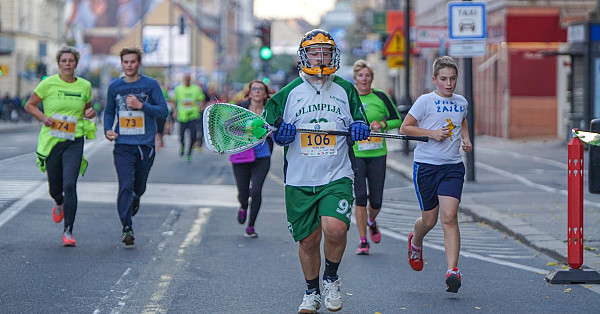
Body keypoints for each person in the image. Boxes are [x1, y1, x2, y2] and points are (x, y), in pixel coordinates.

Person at [263, 29, 370, 313]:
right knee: (309, 241)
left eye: (326, 51)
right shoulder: (287, 94)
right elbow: (267, 127)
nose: (320, 57)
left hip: (336, 174)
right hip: (299, 178)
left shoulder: (345, 89)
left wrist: (360, 127)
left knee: (335, 229)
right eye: (315, 52)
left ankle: (331, 279)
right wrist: (279, 134)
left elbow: (360, 120)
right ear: (303, 56)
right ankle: (311, 292)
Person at [399, 56, 473, 293]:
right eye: (443, 79)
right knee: (429, 220)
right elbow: (405, 127)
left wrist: (466, 138)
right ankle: (416, 241)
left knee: (449, 217)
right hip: (427, 166)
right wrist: (431, 133)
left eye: (452, 79)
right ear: (435, 80)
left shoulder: (461, 101)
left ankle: (453, 270)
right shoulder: (425, 101)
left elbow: (462, 120)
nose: (449, 84)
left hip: (452, 167)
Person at [24, 46, 96, 246]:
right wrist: (43, 117)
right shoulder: (48, 84)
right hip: (52, 140)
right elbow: (29, 105)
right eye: (64, 60)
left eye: (71, 61)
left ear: (76, 63)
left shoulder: (84, 86)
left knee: (69, 185)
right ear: (59, 63)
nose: (67, 64)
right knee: (56, 188)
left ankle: (68, 231)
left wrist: (91, 114)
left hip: (74, 140)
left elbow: (88, 110)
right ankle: (58, 202)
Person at [104, 46, 168, 245]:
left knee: (138, 186)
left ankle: (137, 197)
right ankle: (127, 227)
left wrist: (142, 106)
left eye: (133, 62)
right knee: (125, 184)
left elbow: (163, 111)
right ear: (121, 64)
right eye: (126, 62)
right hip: (123, 144)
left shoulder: (150, 85)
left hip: (145, 145)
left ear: (139, 64)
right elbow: (108, 111)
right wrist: (108, 129)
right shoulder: (114, 86)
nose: (129, 65)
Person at [351, 59, 402, 255]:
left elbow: (397, 119)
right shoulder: (350, 98)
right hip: (356, 154)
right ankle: (363, 240)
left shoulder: (380, 97)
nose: (364, 79)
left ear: (372, 78)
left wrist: (382, 124)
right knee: (361, 197)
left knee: (377, 200)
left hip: (378, 153)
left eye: (368, 75)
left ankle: (372, 220)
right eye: (361, 76)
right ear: (355, 78)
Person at [230, 80, 273, 238]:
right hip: (242, 155)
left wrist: (270, 132)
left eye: (260, 89)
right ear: (249, 92)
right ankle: (243, 206)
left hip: (262, 156)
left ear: (265, 93)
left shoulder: (270, 111)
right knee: (243, 193)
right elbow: (230, 128)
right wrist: (247, 130)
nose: (257, 92)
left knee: (256, 190)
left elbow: (276, 130)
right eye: (254, 89)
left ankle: (251, 226)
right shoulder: (240, 108)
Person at [173, 74, 205, 161]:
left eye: (188, 79)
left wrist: (200, 107)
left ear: (190, 80)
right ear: (183, 80)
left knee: (193, 136)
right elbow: (174, 101)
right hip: (182, 116)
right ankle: (183, 146)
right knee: (181, 136)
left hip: (193, 115)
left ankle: (189, 153)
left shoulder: (196, 89)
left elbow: (202, 99)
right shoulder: (178, 89)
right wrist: (174, 111)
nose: (187, 80)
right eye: (185, 79)